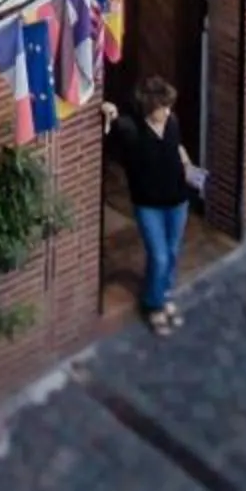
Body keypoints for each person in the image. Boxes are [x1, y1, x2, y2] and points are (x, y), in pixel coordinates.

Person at [104, 77, 205, 332]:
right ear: (151, 107)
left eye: (169, 106)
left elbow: (178, 147)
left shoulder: (172, 122)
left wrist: (190, 169)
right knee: (158, 256)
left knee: (171, 252)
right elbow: (111, 118)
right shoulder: (131, 130)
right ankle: (153, 304)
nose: (168, 111)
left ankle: (164, 295)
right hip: (148, 204)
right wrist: (107, 108)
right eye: (164, 106)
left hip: (177, 200)